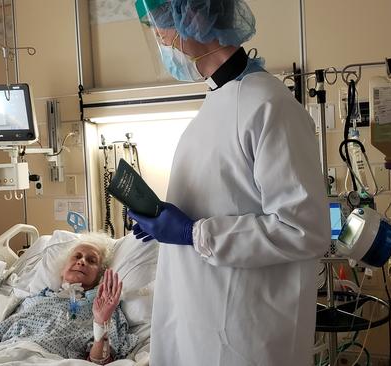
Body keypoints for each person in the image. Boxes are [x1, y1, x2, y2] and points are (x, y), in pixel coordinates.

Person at [127, 1, 331, 365]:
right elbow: (224, 199)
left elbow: (306, 229)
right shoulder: (215, 105)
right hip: (200, 320)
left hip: (248, 334)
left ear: (192, 16)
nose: (159, 35)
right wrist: (162, 222)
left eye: (159, 21)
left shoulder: (269, 105)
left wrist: (193, 233)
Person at [0, 235, 138, 364]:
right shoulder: (32, 301)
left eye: (91, 260)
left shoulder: (104, 307)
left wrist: (101, 323)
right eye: (77, 256)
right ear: (63, 269)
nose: (82, 261)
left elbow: (100, 361)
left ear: (99, 275)